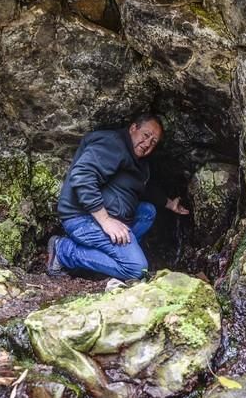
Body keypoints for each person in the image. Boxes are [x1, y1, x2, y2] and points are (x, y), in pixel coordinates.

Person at [47, 113, 189, 280]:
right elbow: (83, 176)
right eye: (146, 135)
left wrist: (169, 203)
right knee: (137, 270)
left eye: (153, 142)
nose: (147, 144)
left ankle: (109, 259)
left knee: (147, 212)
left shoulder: (137, 161)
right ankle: (63, 250)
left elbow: (143, 187)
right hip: (82, 218)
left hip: (110, 217)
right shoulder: (113, 144)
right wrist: (106, 221)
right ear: (133, 128)